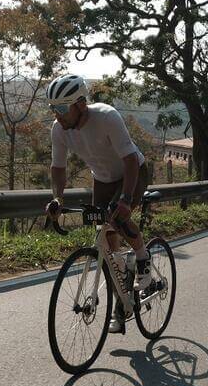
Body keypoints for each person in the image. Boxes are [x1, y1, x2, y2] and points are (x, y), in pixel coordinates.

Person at [42, 74, 150, 334]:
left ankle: (142, 257)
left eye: (61, 109)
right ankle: (121, 294)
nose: (57, 115)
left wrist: (125, 199)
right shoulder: (59, 130)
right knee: (104, 239)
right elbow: (58, 167)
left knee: (117, 218)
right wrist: (57, 198)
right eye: (52, 109)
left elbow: (130, 160)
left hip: (132, 172)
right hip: (102, 179)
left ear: (79, 104)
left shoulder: (107, 117)